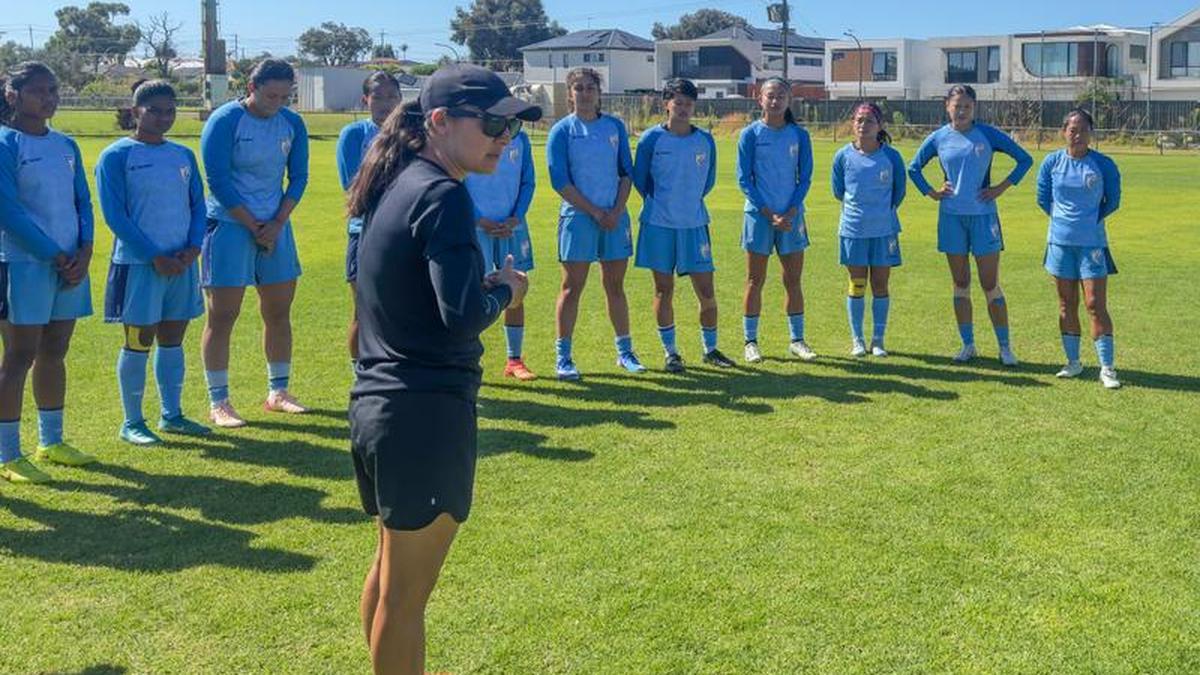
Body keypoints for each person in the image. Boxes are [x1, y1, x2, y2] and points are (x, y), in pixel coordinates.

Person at [346, 64, 535, 674]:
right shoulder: (442, 193)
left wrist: (481, 286)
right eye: (493, 124)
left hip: (382, 406)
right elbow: (460, 318)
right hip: (422, 413)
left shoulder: (400, 182)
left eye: (511, 126)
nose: (504, 137)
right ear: (438, 122)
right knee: (405, 601)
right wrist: (507, 291)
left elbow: (422, 297)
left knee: (389, 578)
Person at [97, 79, 211, 445]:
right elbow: (115, 216)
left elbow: (197, 205)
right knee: (138, 340)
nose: (164, 117)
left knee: (173, 339)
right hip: (139, 265)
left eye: (170, 110)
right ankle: (132, 422)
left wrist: (194, 246)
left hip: (182, 263)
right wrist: (154, 256)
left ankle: (172, 415)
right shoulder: (116, 156)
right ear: (135, 112)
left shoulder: (182, 155)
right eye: (154, 110)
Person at [200, 58, 309, 427]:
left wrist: (276, 223)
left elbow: (298, 177)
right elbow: (217, 178)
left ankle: (278, 392)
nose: (276, 102)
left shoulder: (292, 123)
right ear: (251, 87)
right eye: (270, 94)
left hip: (276, 228)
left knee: (278, 312)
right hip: (230, 226)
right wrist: (252, 224)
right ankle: (220, 402)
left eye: (284, 96)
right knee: (222, 316)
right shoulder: (226, 120)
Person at [0, 62, 96, 484]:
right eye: (39, 90)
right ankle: (8, 454)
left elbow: (83, 203)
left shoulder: (66, 145)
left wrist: (86, 250)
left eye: (54, 90)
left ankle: (51, 441)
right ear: (12, 96)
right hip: (23, 265)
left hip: (71, 264)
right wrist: (56, 255)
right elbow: (8, 212)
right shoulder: (6, 143)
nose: (49, 98)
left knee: (55, 350)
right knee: (19, 355)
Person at [908, 84, 1032, 365]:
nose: (961, 110)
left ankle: (1005, 348)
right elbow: (913, 168)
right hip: (951, 217)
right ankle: (968, 345)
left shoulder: (987, 134)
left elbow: (1024, 160)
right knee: (960, 282)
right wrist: (932, 192)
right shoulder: (939, 137)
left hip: (984, 218)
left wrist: (999, 188)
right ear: (946, 106)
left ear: (974, 108)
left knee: (990, 284)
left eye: (967, 106)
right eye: (956, 105)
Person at [546, 67, 645, 380]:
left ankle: (625, 352)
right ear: (570, 94)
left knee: (615, 286)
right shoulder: (562, 131)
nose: (585, 93)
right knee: (571, 287)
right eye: (579, 88)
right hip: (578, 218)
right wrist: (594, 211)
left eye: (590, 88)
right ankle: (564, 358)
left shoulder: (614, 126)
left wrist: (615, 210)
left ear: (599, 93)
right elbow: (559, 180)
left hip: (615, 217)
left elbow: (626, 173)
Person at [633, 78, 734, 372]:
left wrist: (687, 204)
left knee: (706, 291)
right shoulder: (651, 139)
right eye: (678, 102)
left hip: (694, 225)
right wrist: (664, 204)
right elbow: (641, 180)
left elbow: (708, 181)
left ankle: (710, 349)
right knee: (663, 290)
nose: (683, 108)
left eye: (689, 104)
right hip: (659, 225)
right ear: (666, 104)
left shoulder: (705, 140)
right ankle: (671, 353)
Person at [1036, 109, 1122, 389]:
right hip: (1060, 243)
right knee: (1065, 304)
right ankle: (1073, 363)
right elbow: (1043, 198)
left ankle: (1107, 368)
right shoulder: (1051, 163)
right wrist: (1064, 223)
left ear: (1091, 133)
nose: (1078, 134)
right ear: (1064, 132)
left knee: (1095, 304)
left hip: (1092, 244)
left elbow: (1113, 201)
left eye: (1083, 129)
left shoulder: (1103, 164)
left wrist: (1087, 224)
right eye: (1072, 129)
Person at [736, 77, 816, 363]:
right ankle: (750, 342)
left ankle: (797, 340)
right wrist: (769, 214)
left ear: (788, 100)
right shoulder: (750, 135)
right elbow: (744, 179)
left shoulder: (799, 135)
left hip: (792, 217)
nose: (775, 100)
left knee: (793, 280)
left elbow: (804, 177)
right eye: (770, 95)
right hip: (759, 217)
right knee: (754, 280)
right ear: (760, 98)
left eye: (781, 95)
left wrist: (791, 212)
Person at [337, 71, 402, 369]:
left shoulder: (412, 135)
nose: (385, 104)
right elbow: (352, 188)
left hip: (402, 234)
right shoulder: (353, 135)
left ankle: (395, 371)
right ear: (366, 100)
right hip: (364, 232)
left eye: (391, 97)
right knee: (364, 310)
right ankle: (360, 374)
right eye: (378, 96)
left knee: (401, 308)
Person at [831, 102, 907, 357]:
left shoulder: (892, 157)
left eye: (869, 121)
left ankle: (878, 339)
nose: (863, 125)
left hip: (884, 231)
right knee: (857, 283)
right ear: (853, 124)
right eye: (859, 120)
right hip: (853, 230)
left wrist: (880, 213)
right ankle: (857, 340)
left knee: (881, 284)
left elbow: (899, 193)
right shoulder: (843, 156)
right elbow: (838, 191)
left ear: (880, 125)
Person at [464, 121, 538, 380]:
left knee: (516, 288)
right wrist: (479, 219)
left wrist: (516, 217)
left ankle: (514, 360)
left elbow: (528, 181)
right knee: (472, 293)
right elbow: (457, 181)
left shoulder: (522, 140)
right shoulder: (472, 135)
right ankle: (468, 360)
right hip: (476, 228)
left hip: (512, 227)